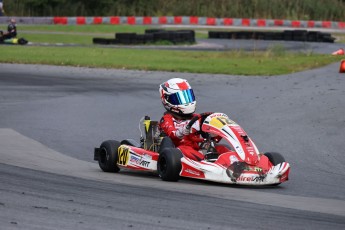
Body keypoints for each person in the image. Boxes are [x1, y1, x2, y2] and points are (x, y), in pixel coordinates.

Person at [158, 78, 211, 161]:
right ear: (167, 100)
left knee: (221, 148)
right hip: (177, 152)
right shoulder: (167, 119)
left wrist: (214, 132)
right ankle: (204, 161)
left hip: (198, 150)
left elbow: (213, 137)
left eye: (188, 96)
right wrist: (182, 131)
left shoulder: (198, 118)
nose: (186, 102)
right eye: (180, 98)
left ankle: (235, 164)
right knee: (185, 149)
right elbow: (172, 134)